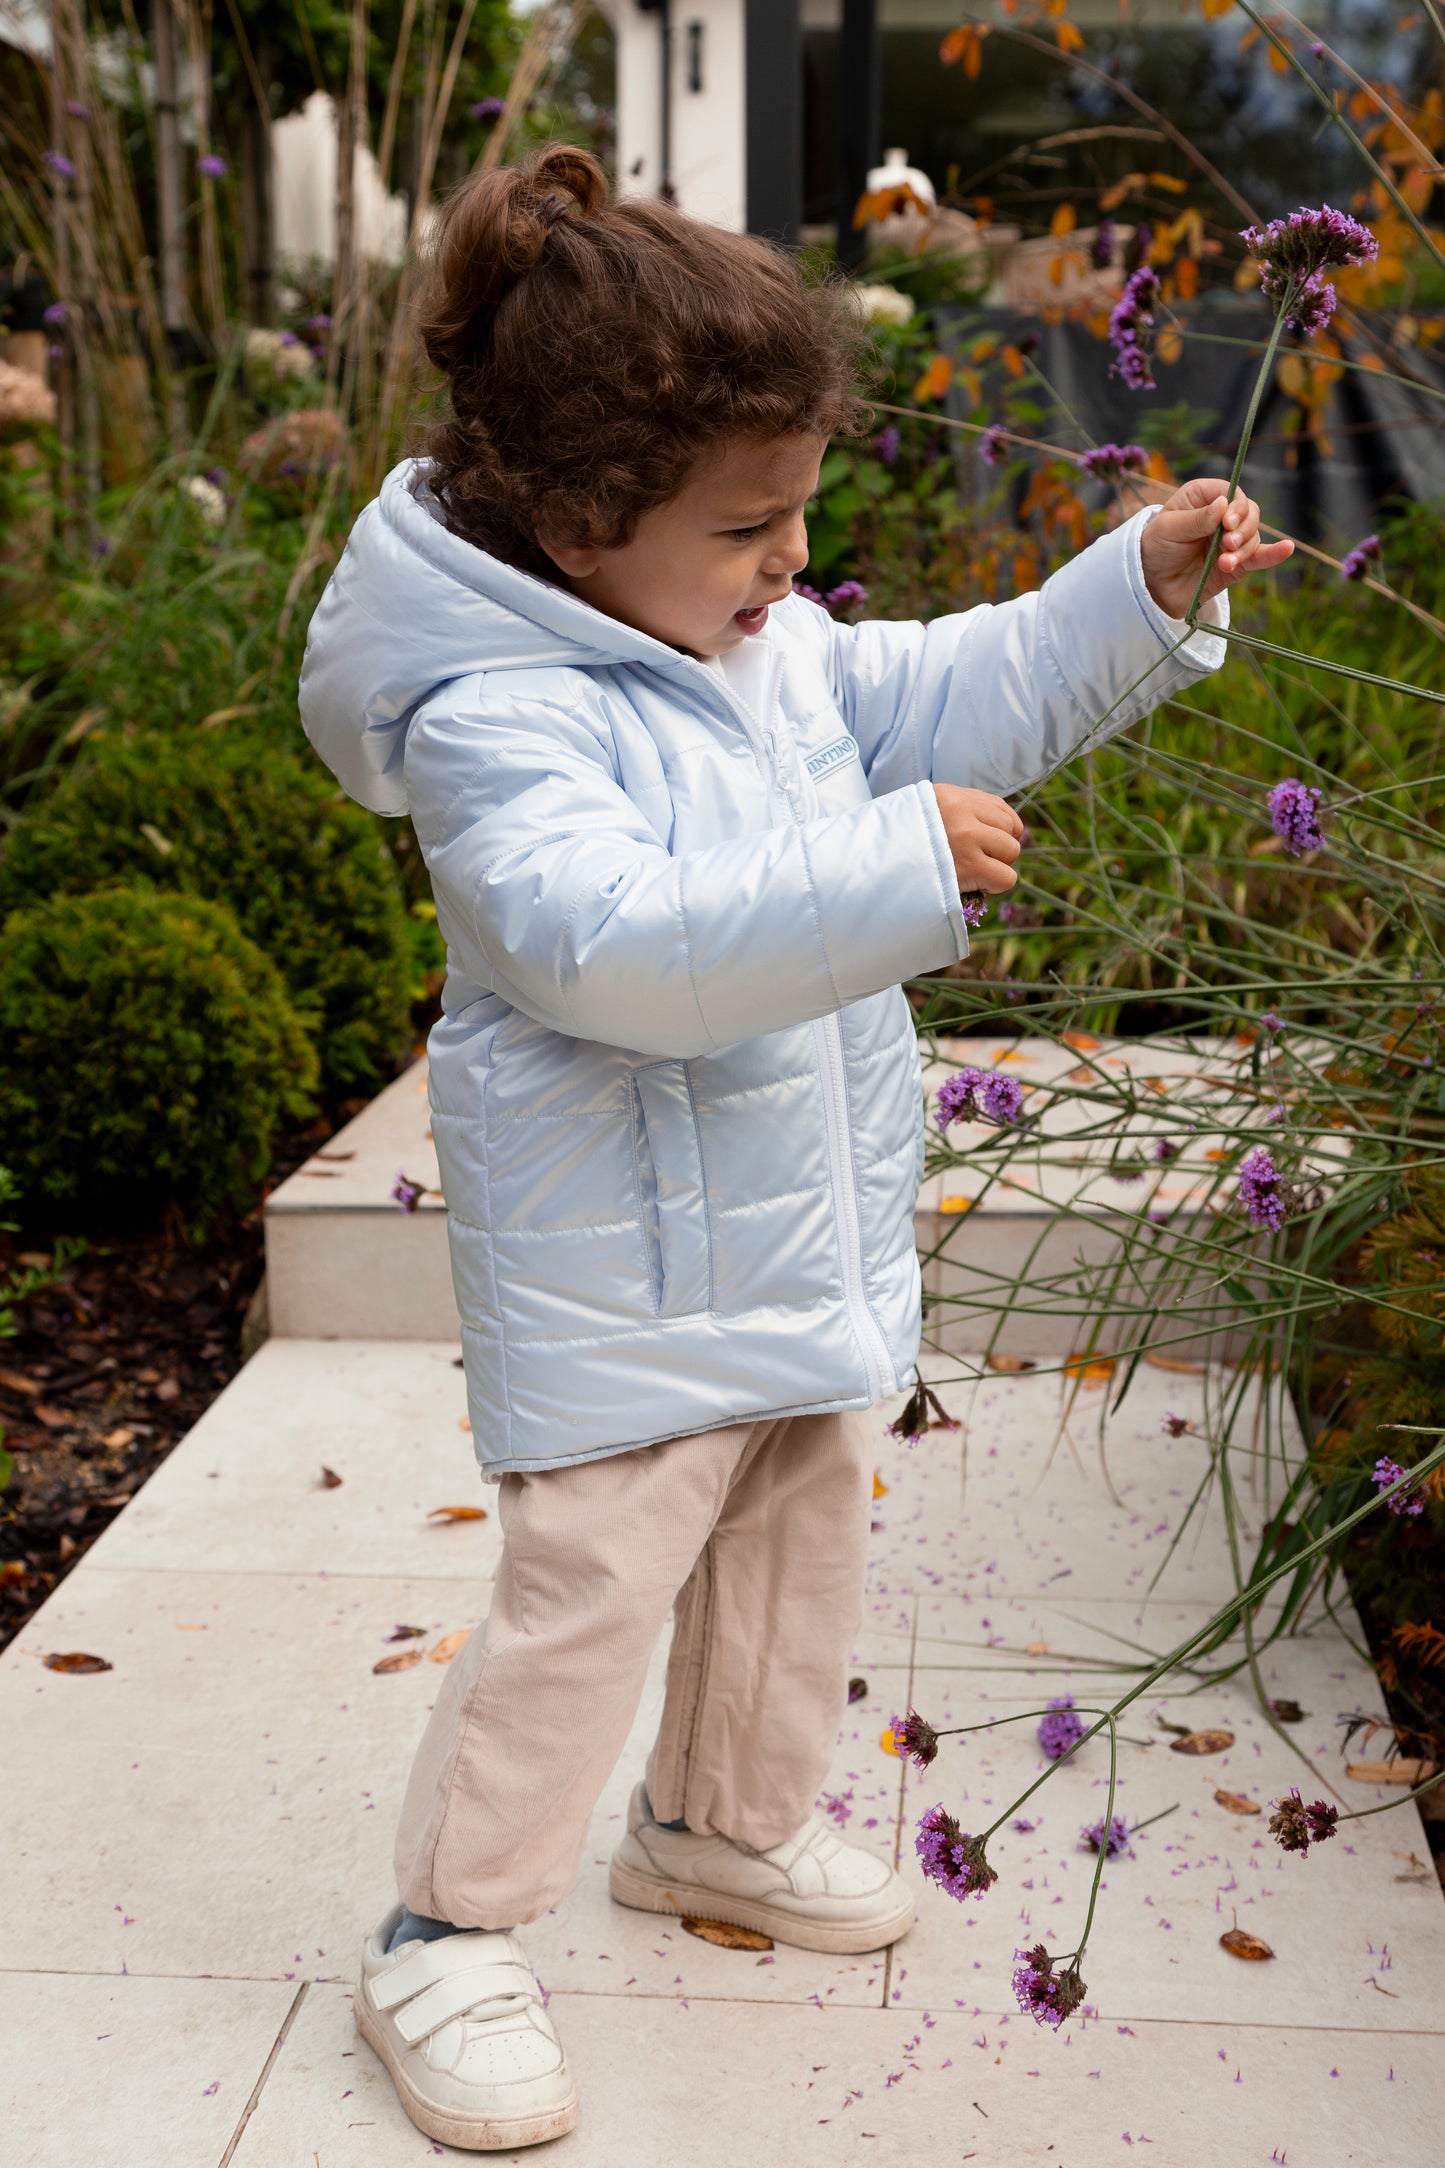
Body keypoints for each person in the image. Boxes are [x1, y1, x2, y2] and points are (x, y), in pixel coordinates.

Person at [299, 143, 1289, 2152]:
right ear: (583, 524)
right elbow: (612, 950)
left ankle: (719, 1826)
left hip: (797, 1244)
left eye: (800, 512)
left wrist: (1136, 585)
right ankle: (446, 1928)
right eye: (750, 524)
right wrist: (891, 864)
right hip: (629, 1270)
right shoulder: (503, 719)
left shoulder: (763, 651)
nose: (792, 557)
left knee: (794, 1548)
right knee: (593, 1594)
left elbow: (958, 675)